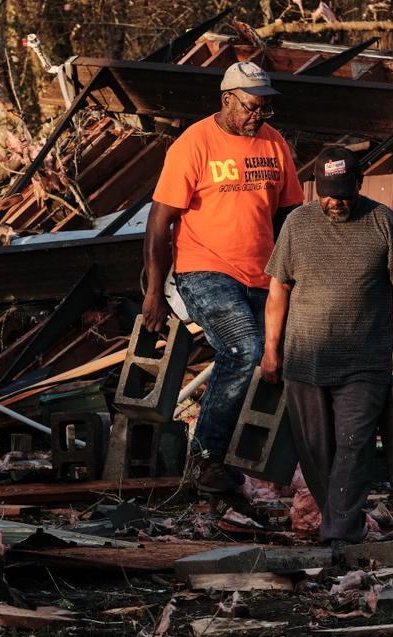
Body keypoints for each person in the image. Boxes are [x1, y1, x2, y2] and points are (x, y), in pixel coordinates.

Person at [142, 61, 304, 493]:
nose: (259, 116)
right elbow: (158, 224)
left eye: (266, 108)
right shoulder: (193, 144)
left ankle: (266, 462)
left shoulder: (275, 145)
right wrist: (154, 292)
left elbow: (290, 215)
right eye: (252, 106)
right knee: (244, 349)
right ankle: (207, 457)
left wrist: (297, 276)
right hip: (205, 269)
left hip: (263, 275)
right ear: (227, 99)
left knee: (283, 359)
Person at [261, 146, 393, 546]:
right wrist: (271, 349)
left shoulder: (382, 221)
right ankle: (341, 525)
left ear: (359, 183)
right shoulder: (297, 224)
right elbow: (278, 290)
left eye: (343, 191)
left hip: (363, 363)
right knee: (316, 453)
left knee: (354, 446)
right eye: (327, 192)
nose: (335, 201)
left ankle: (340, 534)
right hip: (304, 361)